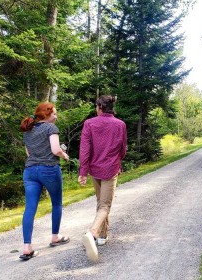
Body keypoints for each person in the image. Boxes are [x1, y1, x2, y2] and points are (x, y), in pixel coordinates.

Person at [78, 95, 127, 262]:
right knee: (105, 205)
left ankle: (102, 236)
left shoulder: (89, 123)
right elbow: (123, 149)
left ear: (100, 107)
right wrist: (117, 161)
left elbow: (85, 149)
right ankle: (93, 233)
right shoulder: (120, 125)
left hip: (94, 169)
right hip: (111, 168)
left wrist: (83, 171)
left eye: (95, 106)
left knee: (101, 202)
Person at [19, 102, 70, 261]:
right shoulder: (51, 128)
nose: (56, 116)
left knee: (30, 208)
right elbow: (55, 150)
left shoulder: (27, 132)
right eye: (54, 114)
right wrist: (64, 155)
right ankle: (55, 237)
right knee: (56, 203)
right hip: (49, 170)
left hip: (30, 171)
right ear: (46, 115)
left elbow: (29, 153)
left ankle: (27, 248)